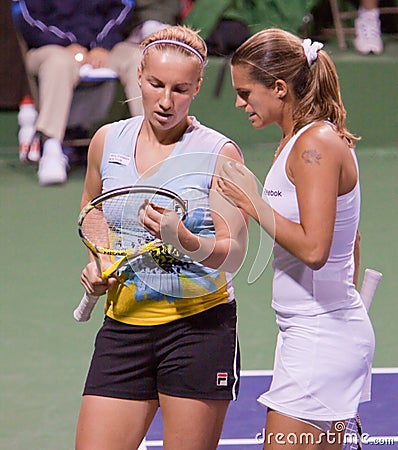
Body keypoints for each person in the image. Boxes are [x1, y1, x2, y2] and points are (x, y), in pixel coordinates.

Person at [76, 25, 247, 450]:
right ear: (139, 76)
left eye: (180, 89)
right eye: (156, 85)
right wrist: (101, 258)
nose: (166, 101)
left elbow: (234, 253)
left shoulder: (220, 154)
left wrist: (183, 238)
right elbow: (91, 207)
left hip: (198, 333)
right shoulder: (107, 140)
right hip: (123, 329)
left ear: (197, 88)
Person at [217, 28, 375, 449]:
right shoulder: (295, 142)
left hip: (321, 338)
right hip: (314, 334)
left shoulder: (315, 144)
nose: (238, 102)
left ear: (280, 88)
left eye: (246, 92)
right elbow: (352, 239)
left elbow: (315, 250)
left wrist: (253, 202)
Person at [13, 0, 137, 185]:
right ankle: (52, 149)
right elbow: (25, 16)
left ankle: (149, 152)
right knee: (58, 62)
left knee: (139, 59)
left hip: (105, 49)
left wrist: (101, 46)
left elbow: (124, 8)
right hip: (51, 48)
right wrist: (66, 44)